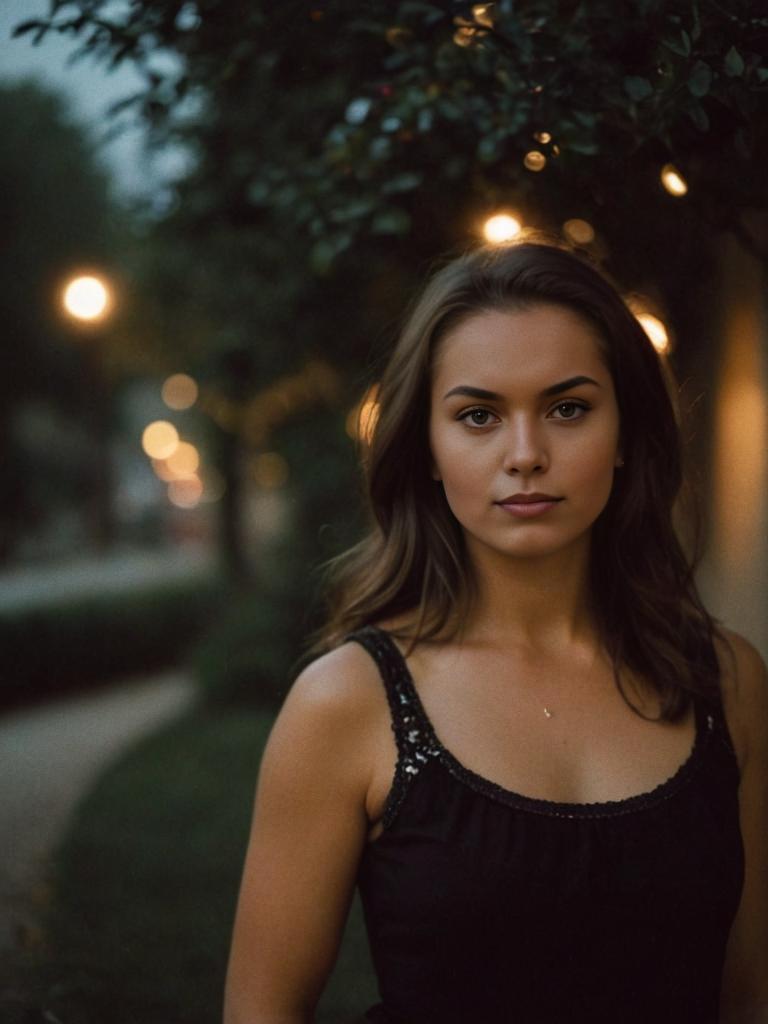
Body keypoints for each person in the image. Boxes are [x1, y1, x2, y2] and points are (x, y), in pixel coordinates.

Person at [223, 238, 768, 1023]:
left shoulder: (727, 682)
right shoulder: (346, 704)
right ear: (429, 449)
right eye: (478, 415)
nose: (525, 455)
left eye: (568, 408)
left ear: (625, 435)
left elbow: (749, 995)